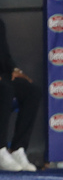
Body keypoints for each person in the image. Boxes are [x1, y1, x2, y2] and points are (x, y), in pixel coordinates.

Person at [0, 19, 40, 172]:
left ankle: (18, 148)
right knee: (5, 90)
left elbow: (5, 56)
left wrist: (15, 69)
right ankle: (0, 148)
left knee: (32, 92)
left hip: (3, 76)